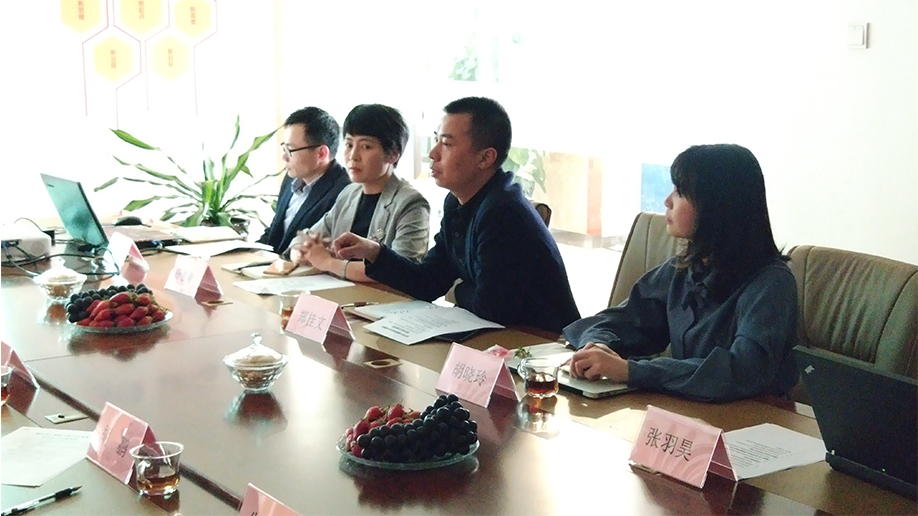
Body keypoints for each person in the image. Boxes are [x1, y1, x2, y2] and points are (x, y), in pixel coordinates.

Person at [564, 144, 797, 403]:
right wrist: (598, 346)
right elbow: (620, 321)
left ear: (716, 206)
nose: (667, 201)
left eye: (680, 192)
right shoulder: (686, 268)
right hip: (688, 413)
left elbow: (741, 371)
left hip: (752, 419)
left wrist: (631, 371)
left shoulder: (771, 284)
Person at [333, 97, 580, 334]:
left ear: (485, 158)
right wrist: (374, 252)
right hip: (497, 337)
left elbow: (492, 309)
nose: (433, 153)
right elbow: (428, 282)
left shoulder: (503, 211)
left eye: (447, 144)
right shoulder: (457, 201)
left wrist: (457, 290)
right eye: (436, 140)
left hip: (539, 344)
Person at [289, 104, 430, 282]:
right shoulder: (349, 194)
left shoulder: (411, 203)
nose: (353, 155)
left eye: (366, 146)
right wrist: (302, 251)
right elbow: (302, 240)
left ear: (393, 154)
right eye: (349, 144)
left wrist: (327, 262)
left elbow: (401, 272)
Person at [257, 107, 350, 254]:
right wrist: (249, 253)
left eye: (290, 150)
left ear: (321, 154)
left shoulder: (344, 192)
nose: (284, 157)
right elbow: (274, 232)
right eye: (284, 149)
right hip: (273, 265)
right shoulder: (291, 179)